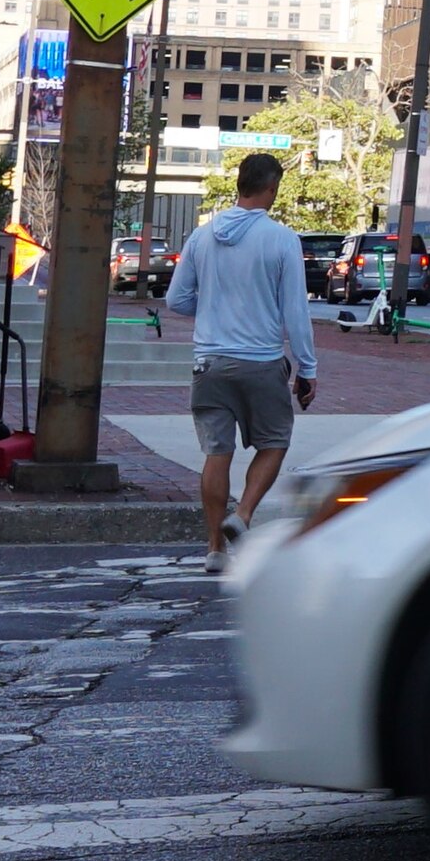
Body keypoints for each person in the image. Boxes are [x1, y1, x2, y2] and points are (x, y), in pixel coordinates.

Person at [161, 150, 324, 562]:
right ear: (271, 189)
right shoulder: (282, 238)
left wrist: (216, 306)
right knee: (274, 442)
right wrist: (307, 367)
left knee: (217, 453)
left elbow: (176, 299)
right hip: (261, 362)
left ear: (239, 185)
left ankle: (215, 549)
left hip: (209, 364)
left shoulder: (202, 236)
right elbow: (295, 312)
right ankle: (244, 513)